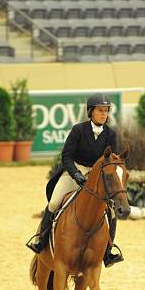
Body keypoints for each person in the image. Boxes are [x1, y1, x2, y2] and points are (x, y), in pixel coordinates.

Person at [26, 93, 124, 268]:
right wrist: (76, 174)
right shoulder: (78, 130)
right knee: (55, 203)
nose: (104, 114)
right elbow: (66, 157)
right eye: (100, 110)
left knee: (112, 211)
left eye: (106, 110)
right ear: (91, 112)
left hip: (97, 176)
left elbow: (112, 161)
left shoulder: (111, 134)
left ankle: (108, 251)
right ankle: (41, 241)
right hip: (74, 171)